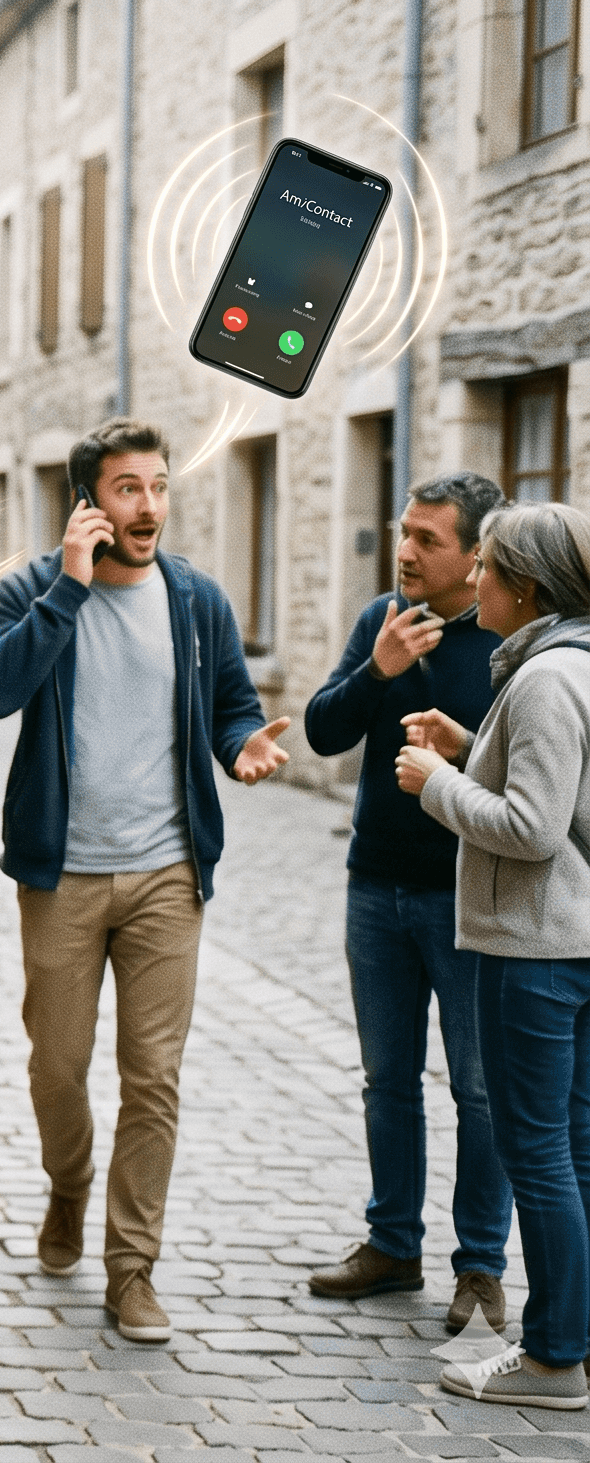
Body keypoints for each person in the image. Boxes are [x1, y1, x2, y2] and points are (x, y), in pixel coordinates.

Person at [0, 417, 291, 1344]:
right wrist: (67, 589)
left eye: (157, 487)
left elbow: (231, 706)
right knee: (57, 1068)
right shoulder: (34, 588)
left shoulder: (195, 600)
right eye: (127, 490)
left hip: (165, 876)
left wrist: (241, 747)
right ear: (88, 505)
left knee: (153, 1078)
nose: (148, 507)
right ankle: (67, 1185)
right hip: (61, 875)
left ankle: (132, 1269)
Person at [301, 471, 511, 1334]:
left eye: (429, 539)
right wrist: (377, 670)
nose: (407, 552)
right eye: (404, 533)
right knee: (388, 1080)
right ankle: (392, 1244)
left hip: (467, 900)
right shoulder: (380, 620)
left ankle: (481, 1269)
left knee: (479, 1090)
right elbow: (322, 730)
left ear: (476, 557)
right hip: (374, 888)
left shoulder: (510, 642)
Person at [402, 503, 590, 1410]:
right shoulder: (575, 664)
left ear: (524, 586)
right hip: (574, 943)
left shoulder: (548, 678)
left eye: (487, 567)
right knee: (578, 1153)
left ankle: (554, 1359)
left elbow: (534, 828)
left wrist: (438, 785)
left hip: (537, 952)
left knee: (539, 1154)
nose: (472, 579)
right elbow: (566, 806)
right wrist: (472, 750)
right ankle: (575, 1340)